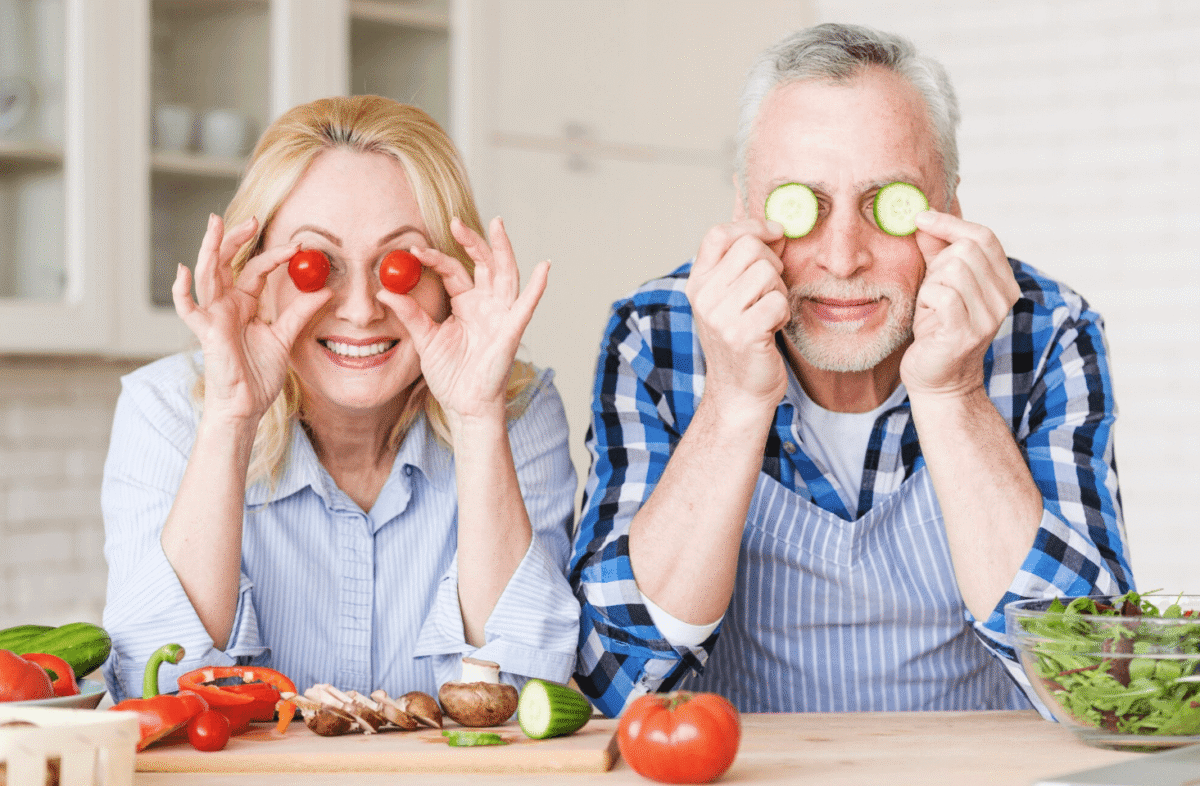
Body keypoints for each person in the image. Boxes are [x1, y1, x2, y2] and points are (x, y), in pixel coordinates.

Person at [570, 23, 1133, 717]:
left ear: (951, 209)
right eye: (801, 206)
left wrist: (952, 393)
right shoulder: (655, 336)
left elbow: (1097, 682)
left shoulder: (1046, 332)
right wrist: (733, 404)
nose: (843, 258)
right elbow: (610, 682)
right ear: (745, 210)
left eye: (887, 205)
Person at [101, 95, 579, 703]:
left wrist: (478, 416)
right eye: (314, 265)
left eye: (400, 263)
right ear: (256, 271)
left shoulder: (516, 411)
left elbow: (526, 694)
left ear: (447, 280)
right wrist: (231, 416)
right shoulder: (167, 411)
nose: (361, 309)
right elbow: (160, 693)